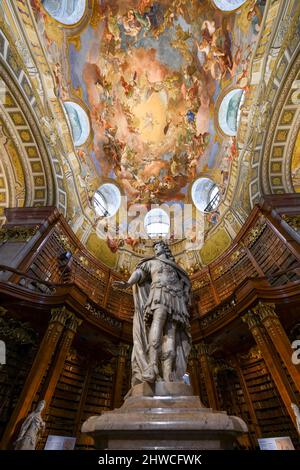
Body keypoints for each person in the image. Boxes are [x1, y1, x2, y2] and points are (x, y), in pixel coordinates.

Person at [113, 241, 191, 385]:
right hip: (159, 292)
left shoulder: (175, 267)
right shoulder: (151, 262)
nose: (155, 249)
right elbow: (139, 272)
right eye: (154, 247)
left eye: (158, 246)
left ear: (165, 248)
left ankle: (168, 374)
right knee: (157, 321)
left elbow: (186, 281)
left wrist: (185, 292)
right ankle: (152, 366)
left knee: (171, 332)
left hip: (176, 297)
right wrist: (128, 283)